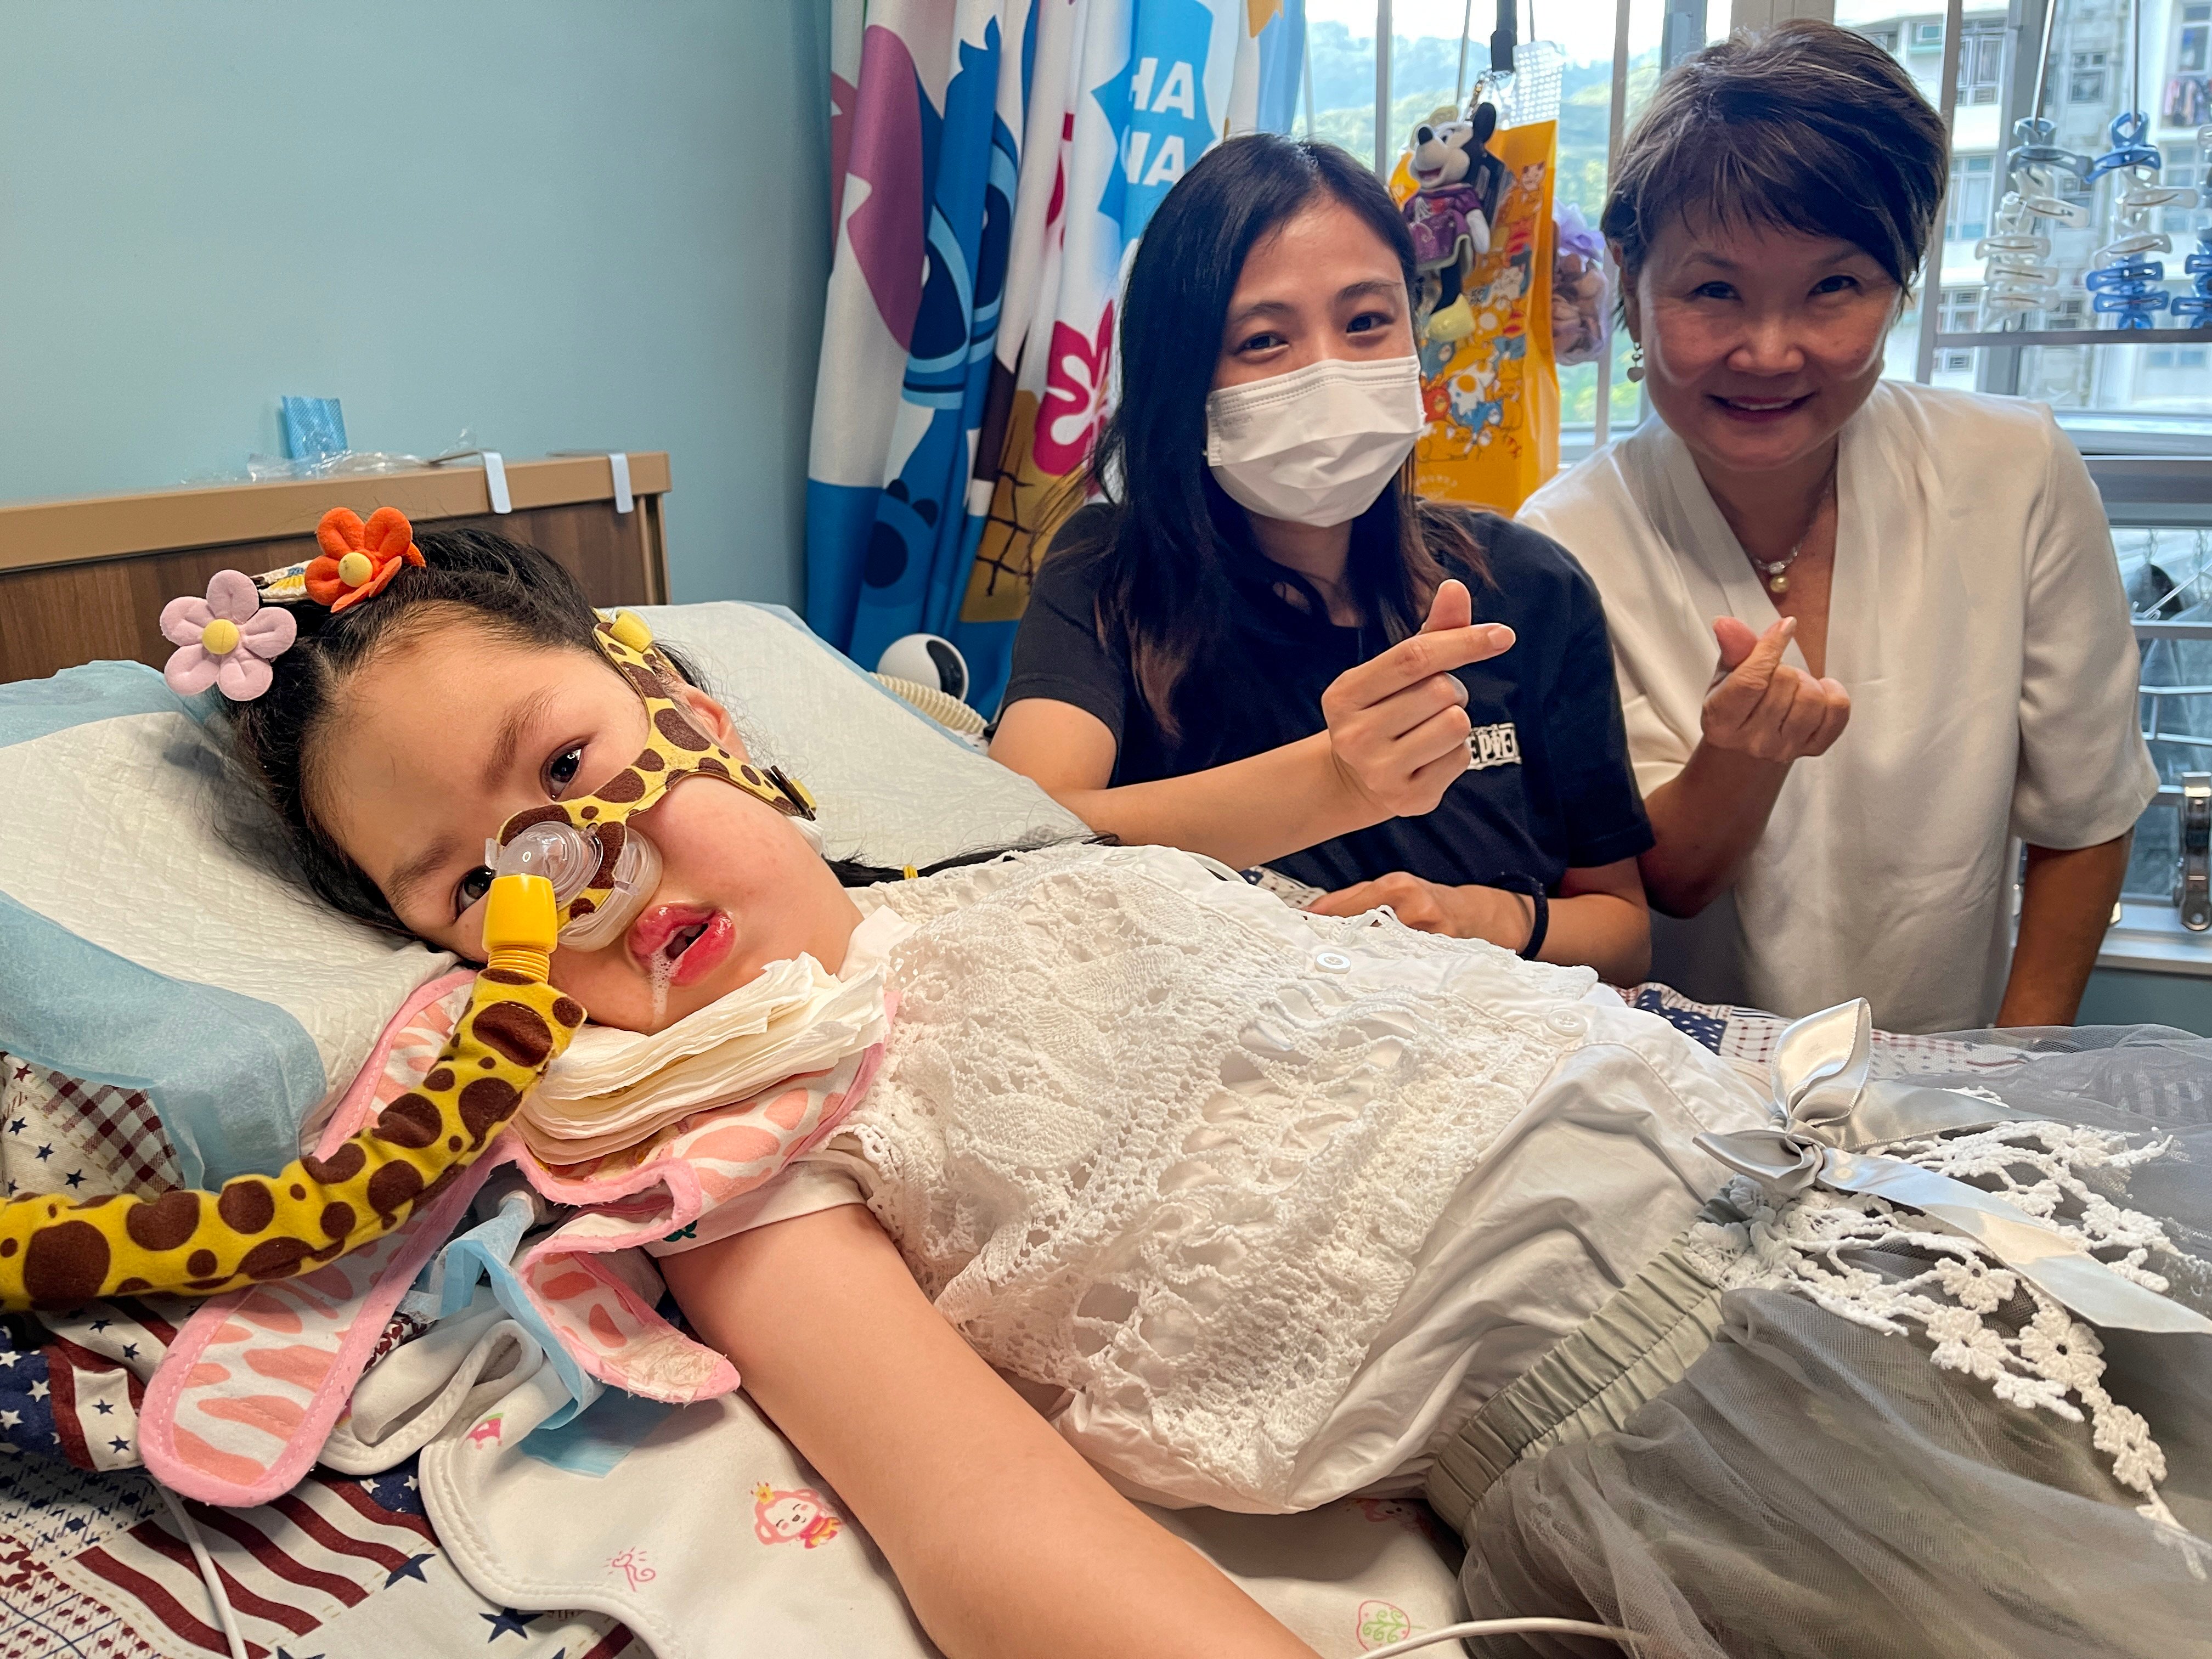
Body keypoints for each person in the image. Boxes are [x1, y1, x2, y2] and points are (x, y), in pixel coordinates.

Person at [208, 524, 2209, 1659]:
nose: (578, 869)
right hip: (1702, 1399)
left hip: (1866, 1167)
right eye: (475, 883)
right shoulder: (733, 1140)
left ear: (694, 715)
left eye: (564, 769)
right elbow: (981, 1529)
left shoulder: (994, 877)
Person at [1517, 21, 2159, 1034]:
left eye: (1834, 287)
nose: (1769, 353)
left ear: (1900, 286)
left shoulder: (2012, 471)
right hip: (1671, 1103)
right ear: (1635, 292)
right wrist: (1744, 755)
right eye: (1714, 290)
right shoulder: (1561, 545)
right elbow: (1662, 889)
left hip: (1951, 1090)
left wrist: (2016, 1080)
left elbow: (2086, 818)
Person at [989, 133, 1655, 986]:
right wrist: (1337, 779)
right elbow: (1017, 840)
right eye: (1264, 341)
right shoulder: (1113, 572)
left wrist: (1479, 918)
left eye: (1367, 323)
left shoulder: (1528, 585)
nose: (1329, 373)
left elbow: (1625, 935)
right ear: (1181, 378)